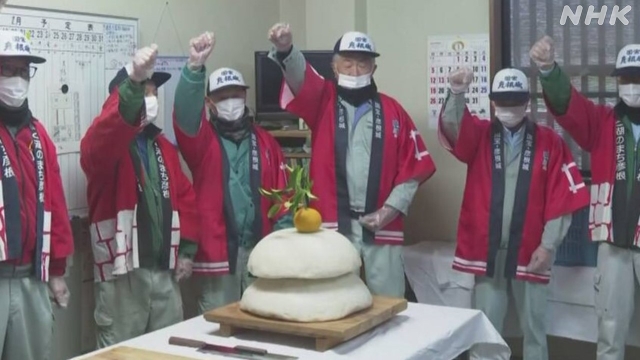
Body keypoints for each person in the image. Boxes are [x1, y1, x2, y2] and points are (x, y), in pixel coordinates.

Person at [267, 23, 436, 298]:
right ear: (334, 68)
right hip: (334, 223)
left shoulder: (394, 112)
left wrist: (390, 210)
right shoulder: (322, 102)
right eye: (347, 64)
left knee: (389, 303)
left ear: (373, 69)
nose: (355, 72)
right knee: (335, 299)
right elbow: (301, 79)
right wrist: (286, 49)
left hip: (382, 225)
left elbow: (414, 169)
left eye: (362, 64)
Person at [438, 66, 589, 360]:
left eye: (515, 102)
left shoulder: (550, 142)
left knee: (534, 329)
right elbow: (453, 128)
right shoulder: (479, 135)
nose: (508, 108)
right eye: (502, 102)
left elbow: (562, 198)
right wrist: (457, 93)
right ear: (493, 102)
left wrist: (548, 246)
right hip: (488, 249)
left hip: (532, 251)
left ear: (527, 102)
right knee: (485, 329)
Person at [80, 43, 199, 348]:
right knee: (121, 353)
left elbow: (185, 199)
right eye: (142, 92)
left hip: (164, 272)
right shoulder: (104, 146)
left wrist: (186, 250)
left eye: (152, 93)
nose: (150, 99)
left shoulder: (162, 147)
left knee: (169, 351)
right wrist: (131, 82)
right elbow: (106, 133)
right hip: (121, 277)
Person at [530, 36, 640, 360]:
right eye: (627, 78)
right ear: (618, 81)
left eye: (639, 78)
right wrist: (549, 70)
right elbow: (569, 106)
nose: (632, 85)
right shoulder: (603, 121)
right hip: (613, 242)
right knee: (610, 330)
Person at [173, 32, 292, 313]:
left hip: (261, 252)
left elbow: (283, 196)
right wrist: (193, 68)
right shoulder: (201, 141)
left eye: (235, 95)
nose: (230, 101)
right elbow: (185, 116)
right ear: (209, 103)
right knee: (219, 330)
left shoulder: (266, 143)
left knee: (263, 322)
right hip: (218, 255)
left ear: (245, 96)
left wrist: (283, 243)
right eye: (222, 97)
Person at [0, 30, 74, 360]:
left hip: (31, 280)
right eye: (7, 70)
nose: (16, 79)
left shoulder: (40, 136)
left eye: (22, 71)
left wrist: (56, 271)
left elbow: (56, 206)